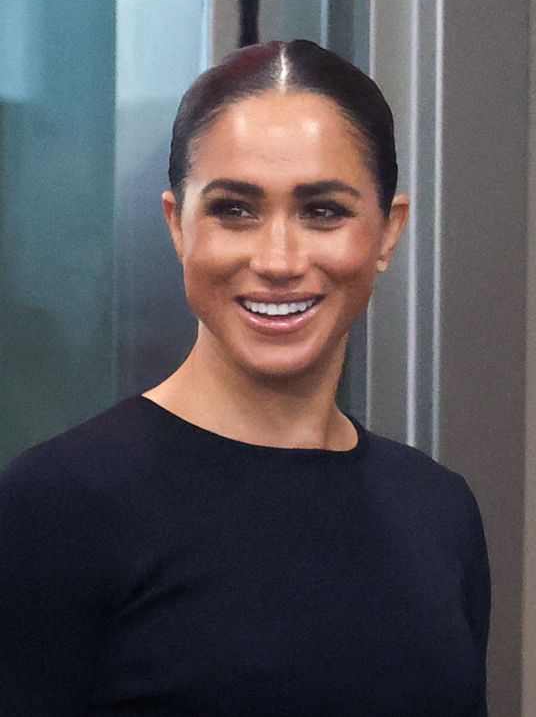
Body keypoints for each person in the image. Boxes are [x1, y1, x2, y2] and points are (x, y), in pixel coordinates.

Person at [0, 41, 490, 716]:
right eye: (235, 210)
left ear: (387, 231)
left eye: (323, 211)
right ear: (178, 226)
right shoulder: (57, 506)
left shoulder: (437, 511)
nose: (279, 259)